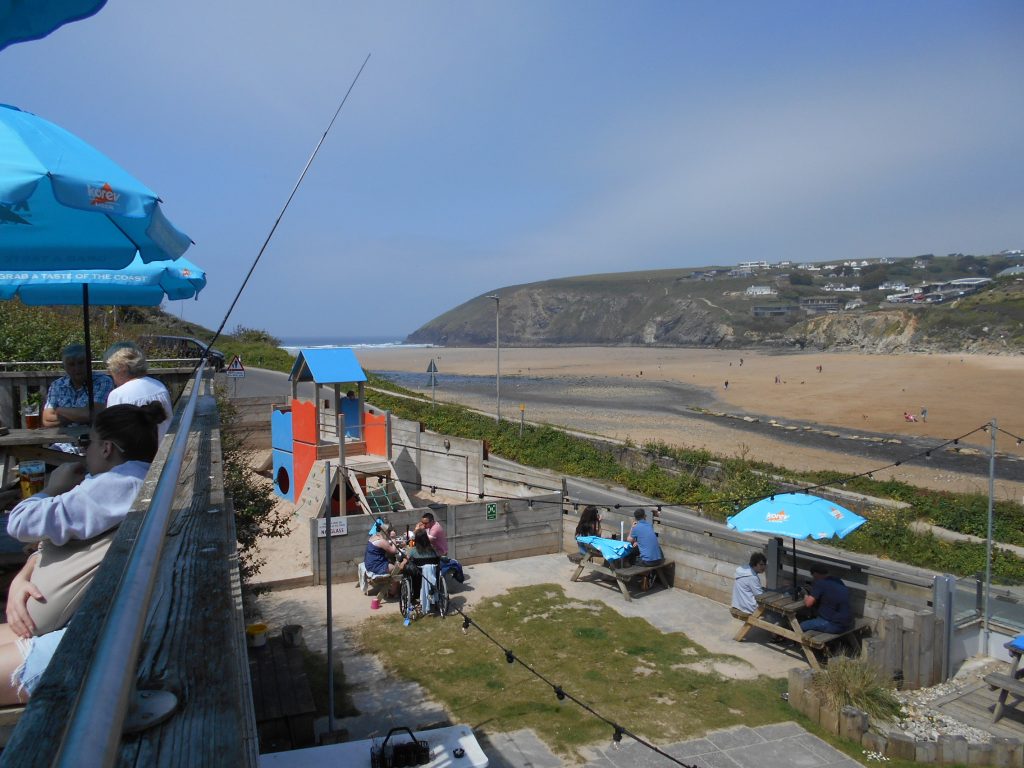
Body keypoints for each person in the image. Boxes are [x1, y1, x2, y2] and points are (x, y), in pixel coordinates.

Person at [0, 402, 163, 703]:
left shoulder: (118, 485)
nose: (83, 451)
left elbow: (20, 522)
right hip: (80, 620)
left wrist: (52, 488)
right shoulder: (132, 480)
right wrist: (22, 577)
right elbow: (50, 542)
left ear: (106, 449)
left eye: (87, 442)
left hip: (91, 639)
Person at [104, 342, 173, 441]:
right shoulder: (160, 386)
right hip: (164, 448)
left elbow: (112, 434)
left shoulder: (118, 394)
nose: (110, 375)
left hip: (135, 454)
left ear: (121, 370)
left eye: (111, 371)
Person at [42, 344, 113, 427]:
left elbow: (92, 414)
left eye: (81, 363)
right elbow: (47, 420)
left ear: (89, 363)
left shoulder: (103, 381)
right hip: (62, 438)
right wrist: (80, 415)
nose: (77, 368)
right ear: (65, 367)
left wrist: (58, 410)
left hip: (90, 438)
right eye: (71, 364)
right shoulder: (57, 385)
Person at [800, 565, 853, 634]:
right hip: (847, 621)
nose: (813, 579)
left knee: (801, 626)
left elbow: (808, 603)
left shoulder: (821, 583)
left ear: (815, 574)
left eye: (813, 576)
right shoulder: (838, 580)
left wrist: (805, 595)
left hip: (834, 625)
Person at [363, 524, 402, 597]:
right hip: (376, 566)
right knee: (397, 569)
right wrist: (393, 538)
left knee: (392, 562)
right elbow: (393, 551)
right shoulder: (381, 541)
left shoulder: (374, 536)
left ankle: (395, 587)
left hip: (369, 564)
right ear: (386, 532)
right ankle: (393, 592)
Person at [731, 552, 767, 620]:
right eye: (761, 565)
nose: (763, 567)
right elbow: (760, 596)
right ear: (754, 564)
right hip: (747, 609)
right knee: (771, 613)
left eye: (764, 565)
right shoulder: (752, 577)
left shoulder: (743, 570)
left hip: (737, 605)